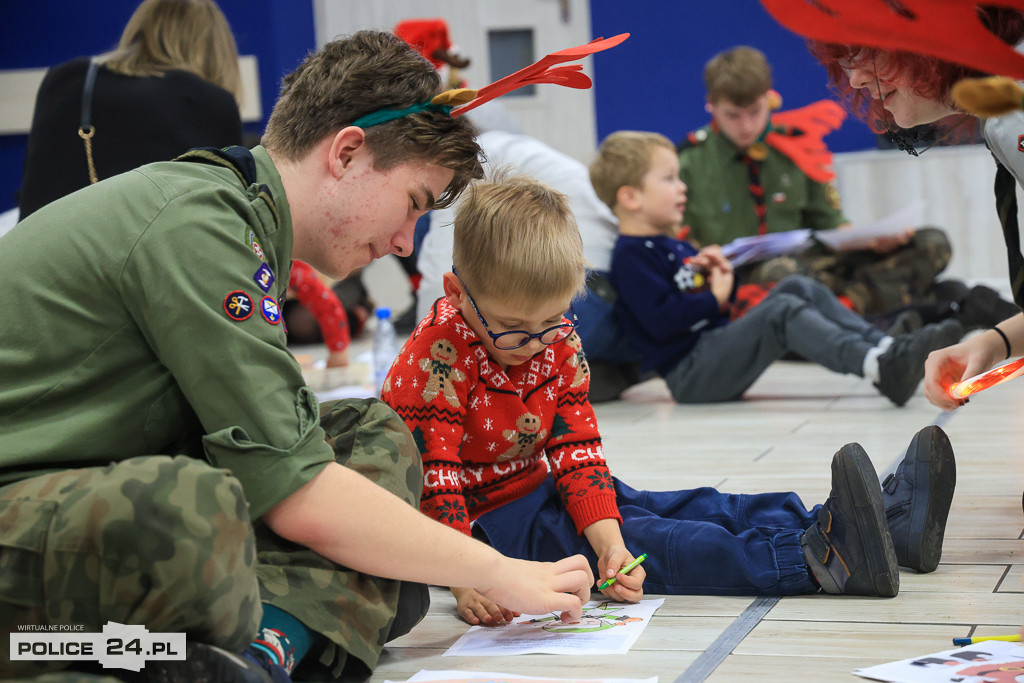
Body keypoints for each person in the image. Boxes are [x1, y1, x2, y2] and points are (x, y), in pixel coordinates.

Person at [0, 30, 598, 683]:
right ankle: (83, 652)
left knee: (372, 436)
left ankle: (260, 652)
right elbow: (297, 496)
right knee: (190, 512)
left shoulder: (243, 221)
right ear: (347, 152)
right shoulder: (199, 225)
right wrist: (497, 570)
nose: (405, 242)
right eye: (412, 205)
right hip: (25, 500)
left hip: (80, 485)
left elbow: (285, 456)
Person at [380, 173, 958, 626]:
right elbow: (435, 481)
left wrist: (607, 544)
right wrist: (467, 579)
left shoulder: (557, 338)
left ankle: (882, 526)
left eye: (550, 322)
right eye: (513, 328)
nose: (535, 343)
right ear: (457, 293)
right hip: (486, 530)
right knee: (659, 542)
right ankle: (820, 559)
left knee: (690, 507)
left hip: (540, 491)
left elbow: (578, 451)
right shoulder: (435, 357)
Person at [762, 3, 1024, 410]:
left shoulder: (1013, 113)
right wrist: (994, 343)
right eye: (849, 57)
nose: (855, 76)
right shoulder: (1006, 104)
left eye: (871, 48)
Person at [591, 130, 964, 406]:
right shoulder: (630, 257)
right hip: (690, 374)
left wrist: (718, 276)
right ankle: (877, 367)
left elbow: (701, 304)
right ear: (631, 197)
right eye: (669, 179)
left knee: (795, 287)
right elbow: (662, 321)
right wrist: (714, 297)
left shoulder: (671, 245)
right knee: (782, 311)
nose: (681, 187)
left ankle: (887, 348)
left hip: (710, 352)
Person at [678, 46, 1014, 333]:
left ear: (770, 99)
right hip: (746, 281)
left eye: (755, 112)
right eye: (733, 116)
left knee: (931, 243)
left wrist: (869, 241)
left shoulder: (796, 147)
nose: (747, 125)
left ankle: (875, 314)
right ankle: (936, 306)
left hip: (815, 269)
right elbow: (679, 248)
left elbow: (831, 225)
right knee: (784, 278)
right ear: (711, 105)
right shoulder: (688, 163)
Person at [18, 0, 244, 219]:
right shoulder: (211, 102)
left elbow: (35, 188)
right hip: (145, 241)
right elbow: (229, 210)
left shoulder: (66, 78)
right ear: (215, 48)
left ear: (139, 29)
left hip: (47, 238)